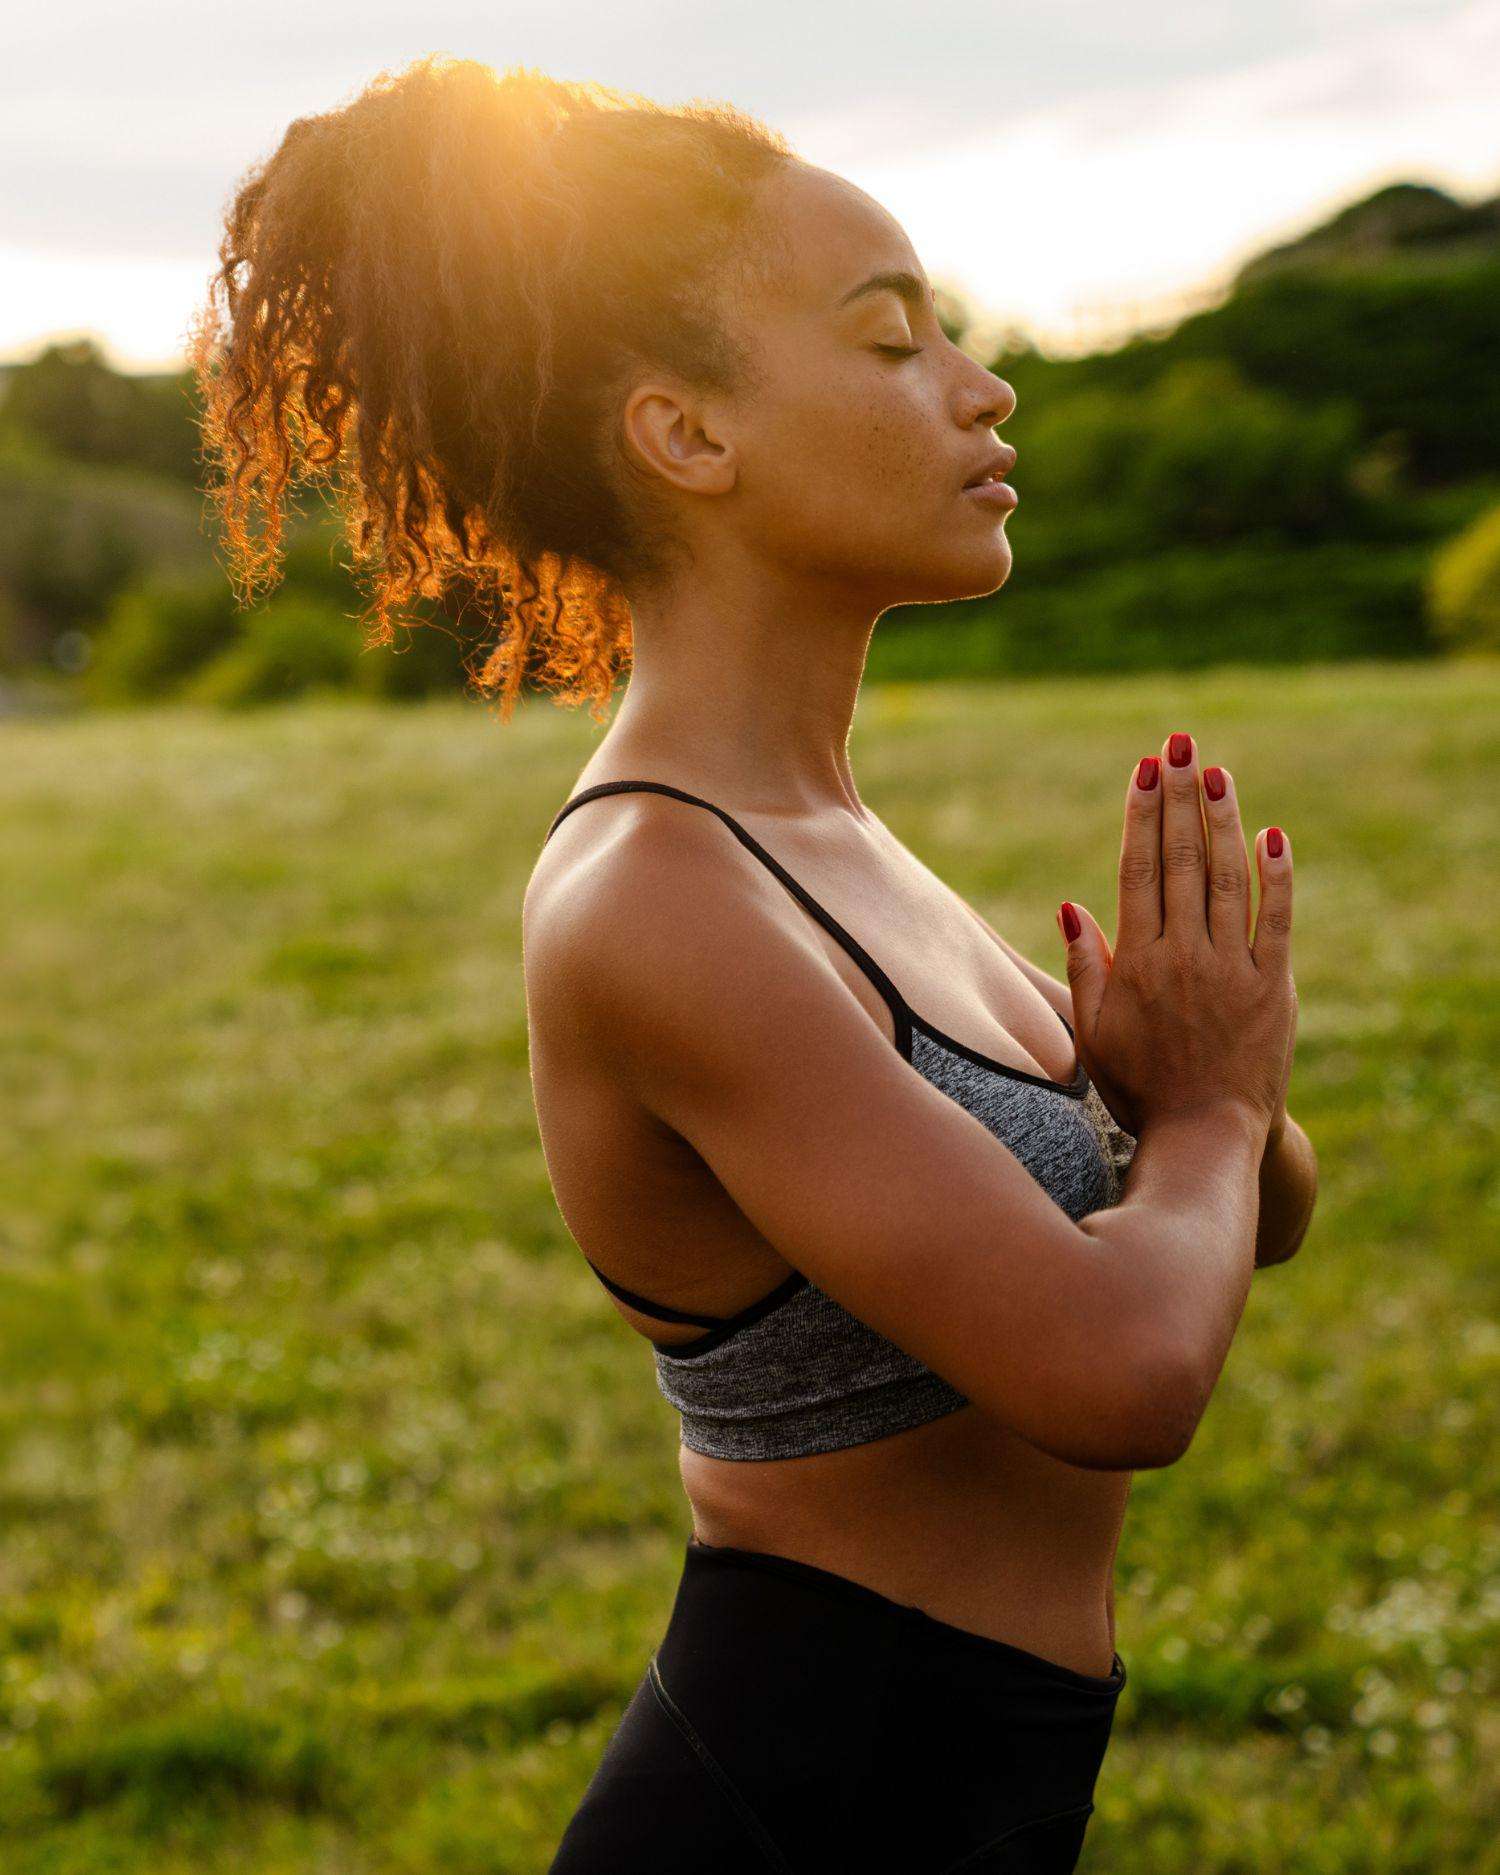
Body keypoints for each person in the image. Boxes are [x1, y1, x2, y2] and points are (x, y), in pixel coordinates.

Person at [189, 55, 1319, 1874]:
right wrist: (1206, 1106)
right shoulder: (659, 896)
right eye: (892, 344)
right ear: (685, 435)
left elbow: (1241, 1213)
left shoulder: (834, 844)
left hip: (970, 1791)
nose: (983, 385)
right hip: (799, 1812)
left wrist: (1175, 1097)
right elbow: (1122, 1369)